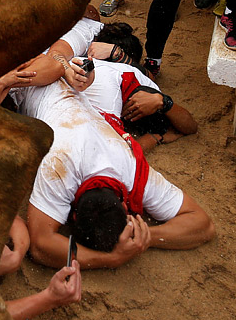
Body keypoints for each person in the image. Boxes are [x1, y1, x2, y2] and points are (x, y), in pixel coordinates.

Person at [23, 92, 215, 269]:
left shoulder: (132, 171)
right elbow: (40, 247)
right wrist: (111, 259)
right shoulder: (60, 165)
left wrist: (144, 236)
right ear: (124, 205)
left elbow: (204, 226)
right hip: (35, 87)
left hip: (83, 93)